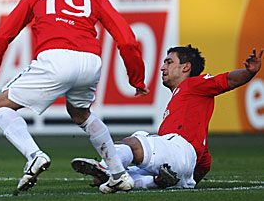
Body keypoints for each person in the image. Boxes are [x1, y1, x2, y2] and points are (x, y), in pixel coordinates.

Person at [0, 0, 149, 194]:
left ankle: (34, 155)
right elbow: (127, 39)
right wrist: (136, 79)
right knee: (80, 113)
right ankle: (118, 174)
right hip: (90, 61)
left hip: (55, 59)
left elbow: (2, 37)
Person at [72, 45, 262, 189]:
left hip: (180, 151)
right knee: (118, 174)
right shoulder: (185, 99)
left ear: (186, 68)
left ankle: (107, 167)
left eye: (169, 62)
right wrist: (189, 179)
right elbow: (204, 162)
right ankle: (155, 181)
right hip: (183, 163)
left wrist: (248, 72)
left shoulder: (194, 84)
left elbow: (227, 80)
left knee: (135, 141)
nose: (162, 67)